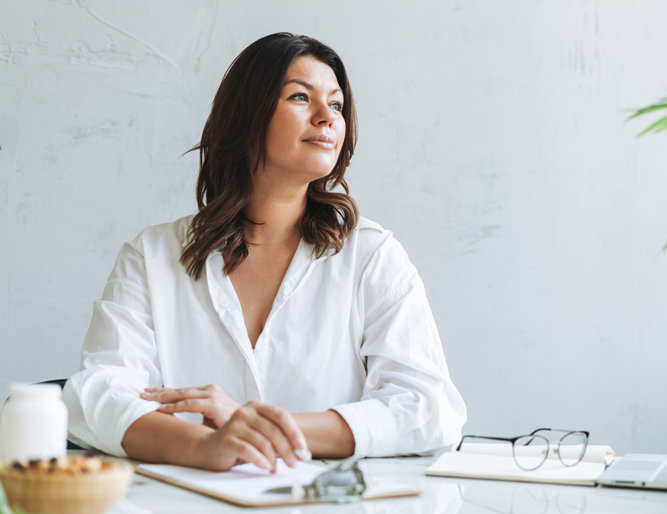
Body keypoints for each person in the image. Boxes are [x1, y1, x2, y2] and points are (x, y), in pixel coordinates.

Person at [63, 33, 467, 472]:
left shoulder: (372, 256)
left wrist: (249, 426)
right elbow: (95, 397)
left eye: (336, 105)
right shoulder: (152, 256)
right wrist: (202, 446)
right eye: (300, 96)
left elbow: (429, 410)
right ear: (247, 117)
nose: (326, 117)